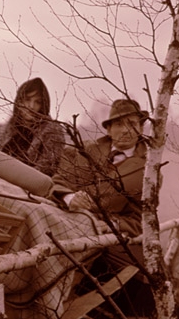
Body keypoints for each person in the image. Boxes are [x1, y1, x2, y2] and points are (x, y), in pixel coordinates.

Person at [50, 98, 149, 277]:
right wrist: (71, 199)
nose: (126, 130)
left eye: (132, 124)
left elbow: (143, 218)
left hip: (106, 239)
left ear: (141, 129)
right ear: (109, 129)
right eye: (119, 124)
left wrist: (114, 224)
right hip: (67, 220)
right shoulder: (87, 150)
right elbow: (60, 181)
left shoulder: (149, 170)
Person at [2, 78, 64, 176]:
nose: (31, 106)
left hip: (28, 186)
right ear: (19, 101)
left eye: (37, 102)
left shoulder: (52, 131)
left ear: (43, 105)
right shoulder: (7, 129)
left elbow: (46, 169)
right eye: (27, 100)